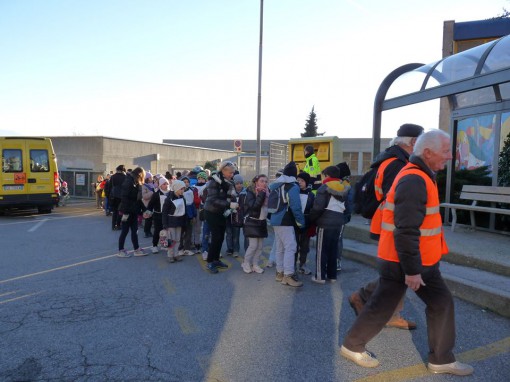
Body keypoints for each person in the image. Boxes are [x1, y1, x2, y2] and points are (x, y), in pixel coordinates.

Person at [341, 130, 473, 376]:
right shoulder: (414, 180)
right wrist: (412, 271)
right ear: (427, 152)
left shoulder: (421, 174)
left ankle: (441, 359)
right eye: (445, 151)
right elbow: (406, 230)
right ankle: (353, 346)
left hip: (414, 259)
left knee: (437, 303)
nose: (449, 156)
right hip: (408, 261)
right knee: (385, 306)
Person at [349, 123, 424, 329]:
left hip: (388, 225)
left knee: (398, 273)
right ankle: (362, 296)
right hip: (393, 227)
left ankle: (391, 313)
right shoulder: (397, 164)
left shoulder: (392, 160)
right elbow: (398, 200)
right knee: (397, 273)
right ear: (414, 142)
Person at [309, 166, 350, 284]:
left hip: (325, 223)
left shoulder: (324, 188)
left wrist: (311, 219)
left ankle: (320, 276)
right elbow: (348, 207)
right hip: (338, 222)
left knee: (322, 251)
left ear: (327, 176)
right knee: (333, 250)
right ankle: (332, 275)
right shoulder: (344, 188)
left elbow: (318, 207)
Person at [269, 161, 305, 287]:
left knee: (280, 248)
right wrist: (301, 222)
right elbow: (296, 207)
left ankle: (280, 273)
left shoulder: (277, 185)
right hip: (285, 220)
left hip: (275, 219)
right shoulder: (292, 186)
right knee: (291, 247)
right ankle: (288, 276)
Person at [203, 161, 238, 274]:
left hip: (222, 213)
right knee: (216, 237)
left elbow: (231, 195)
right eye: (230, 172)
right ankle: (210, 262)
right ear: (223, 170)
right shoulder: (214, 181)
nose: (232, 175)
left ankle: (216, 259)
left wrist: (233, 204)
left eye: (233, 173)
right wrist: (229, 205)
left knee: (221, 237)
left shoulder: (228, 182)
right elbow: (213, 200)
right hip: (211, 212)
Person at [117, 167, 148, 258]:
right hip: (127, 210)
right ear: (140, 174)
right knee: (125, 231)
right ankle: (121, 250)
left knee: (135, 231)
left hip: (133, 210)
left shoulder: (134, 182)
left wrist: (145, 209)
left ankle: (136, 249)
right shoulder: (129, 182)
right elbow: (124, 198)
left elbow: (137, 200)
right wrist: (125, 212)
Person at [241, 174, 269, 274]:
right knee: (253, 245)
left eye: (266, 181)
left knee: (260, 246)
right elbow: (254, 207)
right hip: (252, 222)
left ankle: (255, 264)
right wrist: (261, 194)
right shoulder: (251, 192)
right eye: (262, 181)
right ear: (256, 182)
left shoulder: (267, 192)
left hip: (262, 222)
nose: (264, 183)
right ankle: (246, 263)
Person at [295, 172, 315, 275]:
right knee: (294, 245)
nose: (299, 182)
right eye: (298, 180)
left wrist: (312, 222)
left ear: (306, 182)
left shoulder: (311, 195)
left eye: (302, 181)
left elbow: (313, 209)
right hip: (295, 223)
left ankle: (302, 264)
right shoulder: (294, 192)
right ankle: (292, 265)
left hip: (306, 223)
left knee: (304, 246)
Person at [162, 180, 187, 263]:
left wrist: (185, 222)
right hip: (171, 222)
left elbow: (184, 211)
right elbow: (164, 212)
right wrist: (165, 224)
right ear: (176, 188)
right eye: (181, 189)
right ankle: (170, 255)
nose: (183, 191)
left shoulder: (182, 198)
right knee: (171, 240)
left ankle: (176, 254)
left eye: (183, 189)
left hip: (179, 222)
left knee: (177, 239)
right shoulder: (168, 199)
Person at [335, 162, 353, 271]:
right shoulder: (345, 184)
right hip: (340, 216)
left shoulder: (345, 185)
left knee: (337, 239)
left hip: (340, 216)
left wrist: (346, 215)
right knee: (337, 239)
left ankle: (337, 260)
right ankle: (336, 260)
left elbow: (349, 203)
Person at [147, 177, 171, 254]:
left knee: (167, 231)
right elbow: (150, 205)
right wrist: (148, 212)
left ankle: (165, 245)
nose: (166, 185)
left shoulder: (171, 193)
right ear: (160, 185)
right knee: (158, 231)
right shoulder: (156, 194)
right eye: (164, 184)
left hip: (168, 216)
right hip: (158, 215)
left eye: (167, 183)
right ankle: (154, 246)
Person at [226, 174, 245, 258]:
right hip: (233, 217)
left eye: (240, 183)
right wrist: (233, 206)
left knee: (246, 236)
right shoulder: (231, 193)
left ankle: (247, 251)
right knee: (234, 235)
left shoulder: (246, 192)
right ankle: (235, 250)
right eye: (237, 183)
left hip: (243, 217)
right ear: (234, 184)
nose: (239, 185)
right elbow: (227, 204)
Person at [109, 165, 127, 231]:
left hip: (114, 196)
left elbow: (110, 187)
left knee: (115, 211)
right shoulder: (125, 177)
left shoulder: (113, 177)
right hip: (122, 196)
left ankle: (113, 225)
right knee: (120, 211)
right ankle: (118, 225)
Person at [141, 172, 155, 238]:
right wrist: (152, 192)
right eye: (150, 177)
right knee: (148, 219)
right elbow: (144, 196)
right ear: (147, 178)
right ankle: (147, 232)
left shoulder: (152, 185)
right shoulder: (144, 186)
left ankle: (149, 231)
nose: (152, 179)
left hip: (153, 205)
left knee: (151, 219)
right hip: (147, 205)